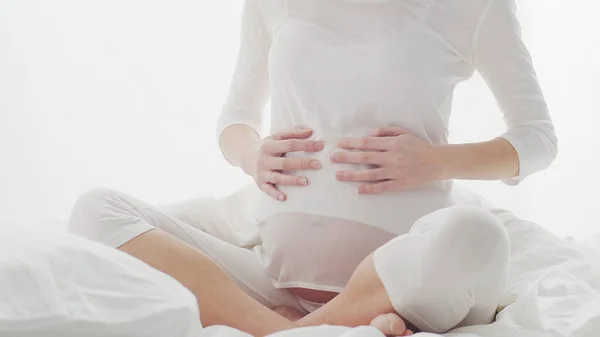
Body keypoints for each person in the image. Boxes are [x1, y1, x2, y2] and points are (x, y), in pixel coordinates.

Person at [68, 0, 557, 336]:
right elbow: (234, 121)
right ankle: (308, 329)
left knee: (477, 233)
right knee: (96, 211)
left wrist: (433, 161)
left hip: (412, 280)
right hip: (273, 281)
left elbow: (537, 138)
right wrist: (251, 154)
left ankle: (318, 324)